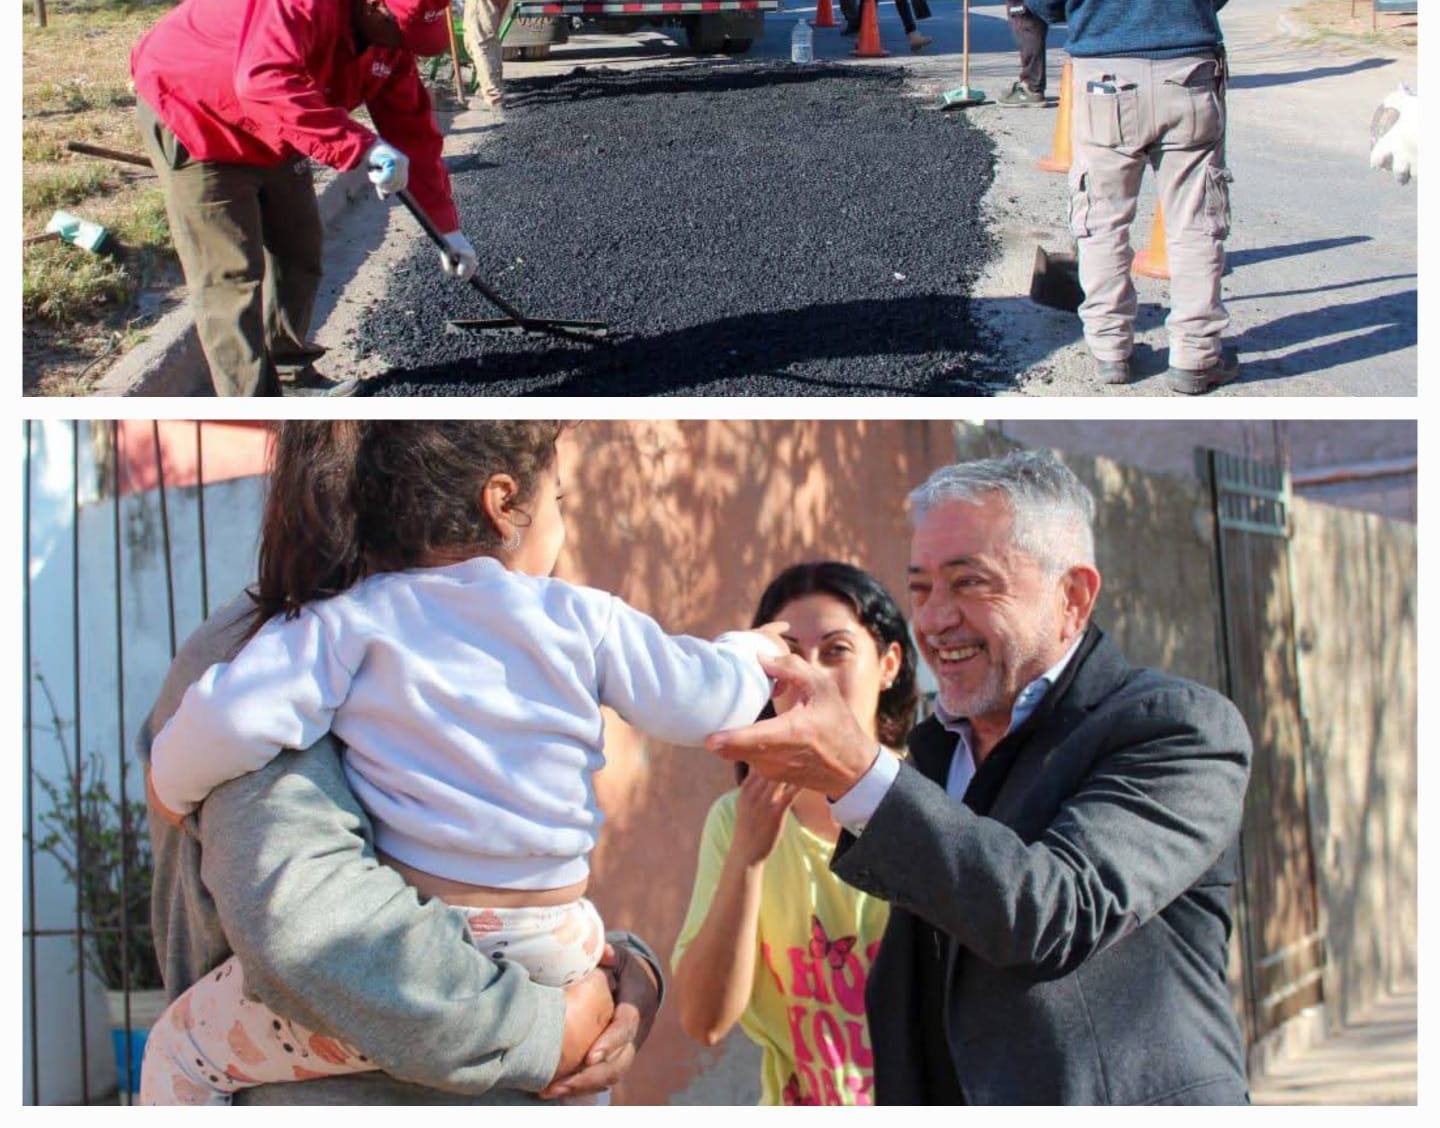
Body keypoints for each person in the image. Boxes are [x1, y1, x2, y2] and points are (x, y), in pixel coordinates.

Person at [141, 421, 787, 1105]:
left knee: (179, 1047)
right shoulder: (583, 617)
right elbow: (702, 697)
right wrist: (753, 657)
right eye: (559, 502)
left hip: (443, 946)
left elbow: (231, 719)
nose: (563, 524)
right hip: (564, 939)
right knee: (584, 1069)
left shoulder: (345, 621)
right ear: (503, 504)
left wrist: (167, 786)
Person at [708, 450, 1254, 1106]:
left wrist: (856, 769)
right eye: (920, 588)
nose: (935, 618)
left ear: (1073, 597)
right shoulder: (939, 750)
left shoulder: (1177, 730)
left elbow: (1052, 914)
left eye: (969, 583)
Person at [139, 592, 663, 1107]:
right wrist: (545, 1028)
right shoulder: (271, 649)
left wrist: (621, 976)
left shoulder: (461, 630)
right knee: (179, 1050)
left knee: (177, 1051)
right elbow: (311, 936)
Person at [130, 0, 478, 398]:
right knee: (231, 274)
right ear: (375, 4)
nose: (405, 48)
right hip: (196, 112)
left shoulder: (387, 42)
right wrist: (360, 147)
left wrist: (446, 228)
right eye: (404, 32)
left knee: (299, 248)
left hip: (278, 121)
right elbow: (263, 82)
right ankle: (258, 411)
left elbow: (414, 132)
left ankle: (291, 374)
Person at [672, 562, 919, 1105]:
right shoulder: (735, 819)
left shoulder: (936, 800)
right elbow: (704, 1021)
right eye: (788, 656)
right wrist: (748, 855)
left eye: (836, 651)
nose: (810, 676)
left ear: (889, 665)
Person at [1021, 0, 1238, 393]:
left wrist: (1090, 13)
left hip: (1104, 82)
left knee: (1102, 220)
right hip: (1190, 76)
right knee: (1196, 221)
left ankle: (1111, 349)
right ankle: (1195, 356)